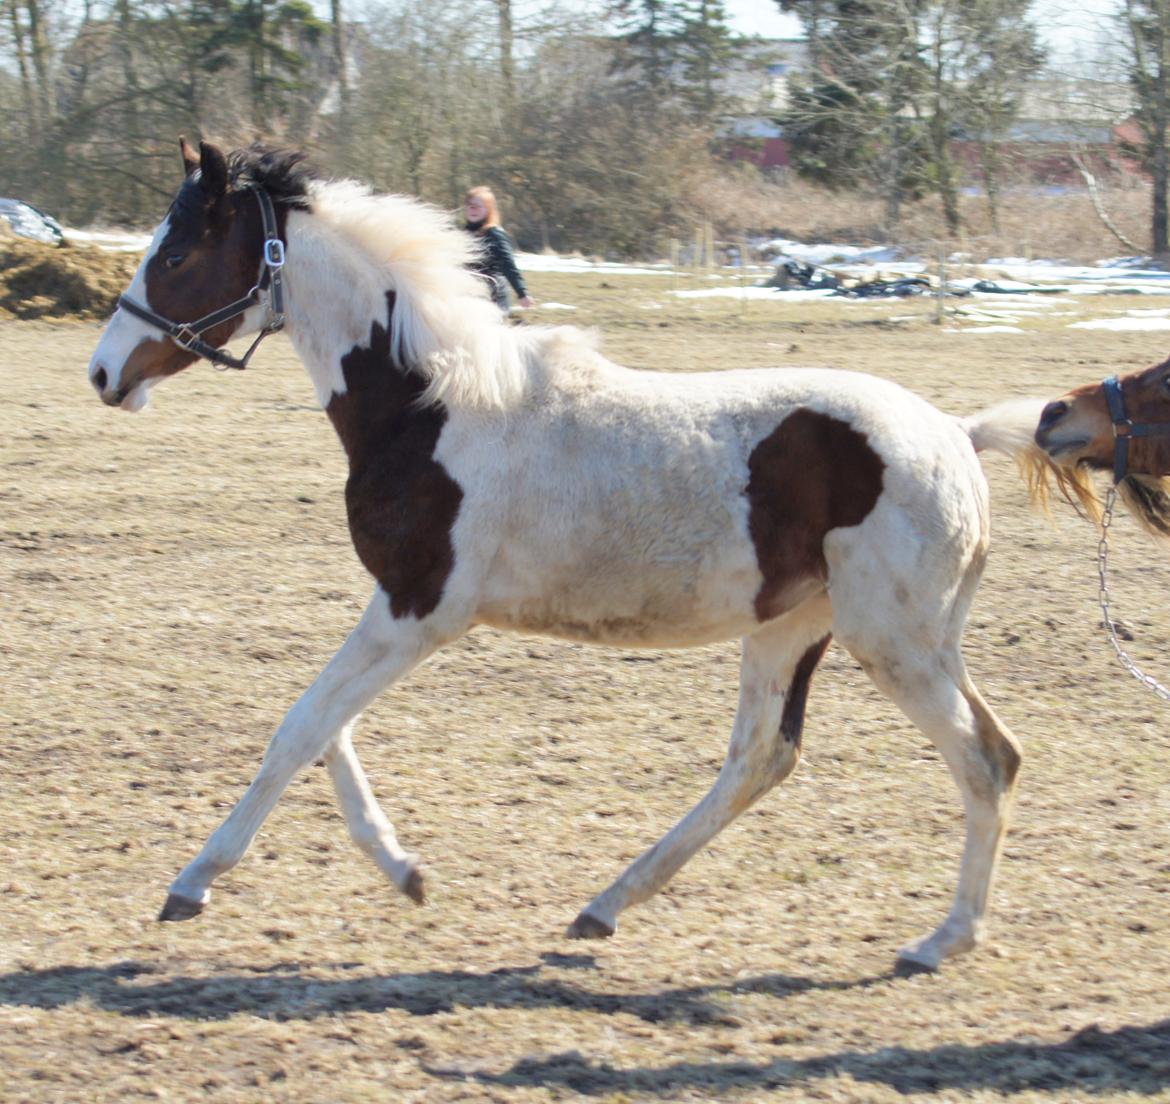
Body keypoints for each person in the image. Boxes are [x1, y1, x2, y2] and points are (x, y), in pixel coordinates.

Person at [463, 186, 534, 313]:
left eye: (478, 206)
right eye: (469, 205)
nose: (472, 209)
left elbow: (508, 264)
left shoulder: (494, 234)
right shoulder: (462, 234)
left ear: (488, 210)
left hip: (493, 297)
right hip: (469, 295)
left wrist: (522, 293)